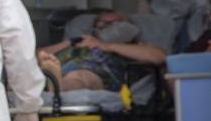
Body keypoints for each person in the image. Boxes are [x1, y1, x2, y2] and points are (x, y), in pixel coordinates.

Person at [37, 11, 166, 92]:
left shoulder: (135, 45)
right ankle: (55, 81)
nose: (106, 26)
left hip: (100, 71)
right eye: (101, 24)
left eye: (113, 23)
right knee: (47, 64)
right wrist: (70, 42)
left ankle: (61, 87)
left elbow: (160, 57)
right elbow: (33, 55)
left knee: (81, 77)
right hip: (63, 66)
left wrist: (106, 45)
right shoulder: (83, 41)